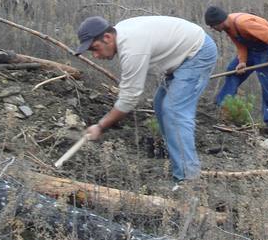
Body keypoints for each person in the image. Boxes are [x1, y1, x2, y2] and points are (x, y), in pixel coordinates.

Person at [74, 15, 217, 183]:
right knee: (160, 105)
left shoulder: (132, 48)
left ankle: (188, 179)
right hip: (184, 54)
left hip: (197, 53)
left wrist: (101, 126)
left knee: (174, 111)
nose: (96, 56)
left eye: (95, 48)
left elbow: (129, 99)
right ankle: (179, 161)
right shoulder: (123, 36)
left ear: (107, 37)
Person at [204, 6, 268, 129]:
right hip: (252, 49)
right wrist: (242, 61)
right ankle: (223, 105)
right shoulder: (228, 28)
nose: (212, 29)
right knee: (232, 73)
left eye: (212, 26)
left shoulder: (243, 24)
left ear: (219, 22)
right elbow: (240, 44)